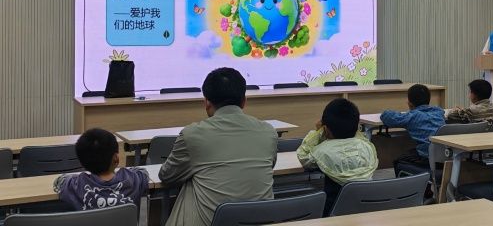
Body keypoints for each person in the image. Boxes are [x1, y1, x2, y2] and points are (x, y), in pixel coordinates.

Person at [159, 67, 278, 226]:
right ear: (244, 101)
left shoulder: (192, 135)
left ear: (207, 102)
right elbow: (270, 165)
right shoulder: (269, 132)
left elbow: (167, 175)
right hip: (260, 221)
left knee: (190, 181)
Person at [297, 98, 378, 215]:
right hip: (365, 211)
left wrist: (317, 132)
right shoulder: (367, 147)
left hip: (332, 213)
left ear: (326, 129)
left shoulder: (322, 151)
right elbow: (360, 137)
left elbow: (303, 156)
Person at [53, 128, 149, 210]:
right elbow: (143, 173)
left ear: (82, 163)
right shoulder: (133, 179)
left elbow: (60, 181)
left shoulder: (77, 185)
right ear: (116, 158)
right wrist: (127, 171)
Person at [380, 84, 445, 175]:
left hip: (426, 156)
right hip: (444, 155)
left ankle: (413, 181)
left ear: (409, 103)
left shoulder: (412, 116)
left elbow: (388, 117)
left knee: (399, 160)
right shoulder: (439, 112)